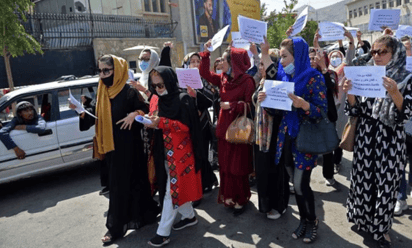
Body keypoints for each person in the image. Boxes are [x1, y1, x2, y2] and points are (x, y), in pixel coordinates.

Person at [73, 55, 160, 244]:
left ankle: (144, 215)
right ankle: (116, 228)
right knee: (117, 187)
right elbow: (93, 118)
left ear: (117, 70)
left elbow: (147, 109)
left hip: (131, 146)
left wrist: (134, 114)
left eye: (106, 70)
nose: (103, 75)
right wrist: (80, 110)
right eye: (100, 71)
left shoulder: (128, 91)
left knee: (137, 181)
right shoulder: (102, 91)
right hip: (112, 149)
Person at [343, 35, 412, 248]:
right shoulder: (367, 74)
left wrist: (394, 93)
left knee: (386, 186)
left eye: (382, 52)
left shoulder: (406, 78)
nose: (377, 56)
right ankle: (361, 219)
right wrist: (350, 94)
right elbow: (355, 111)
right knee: (363, 181)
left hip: (390, 140)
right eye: (374, 52)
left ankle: (381, 230)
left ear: (395, 53)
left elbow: (407, 113)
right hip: (366, 136)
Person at [266, 37, 328, 243]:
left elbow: (322, 112)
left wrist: (305, 105)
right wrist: (265, 101)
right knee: (295, 182)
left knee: (301, 185)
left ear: (298, 56)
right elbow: (276, 110)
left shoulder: (313, 77)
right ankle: (303, 220)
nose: (281, 61)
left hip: (305, 139)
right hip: (287, 138)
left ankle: (312, 221)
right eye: (281, 56)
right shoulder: (284, 77)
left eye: (285, 56)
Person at [145, 66, 203, 247]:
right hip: (165, 153)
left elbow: (186, 127)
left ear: (169, 81)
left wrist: (161, 122)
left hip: (181, 155)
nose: (158, 89)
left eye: (161, 85)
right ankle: (189, 215)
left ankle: (163, 233)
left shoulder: (183, 99)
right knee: (173, 187)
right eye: (155, 86)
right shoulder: (161, 101)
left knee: (172, 192)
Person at [199, 42, 255, 216]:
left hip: (239, 130)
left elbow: (250, 106)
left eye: (223, 59)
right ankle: (229, 196)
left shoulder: (247, 81)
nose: (220, 62)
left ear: (233, 62)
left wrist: (231, 105)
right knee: (225, 165)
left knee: (237, 166)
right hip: (224, 129)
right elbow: (204, 74)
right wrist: (206, 54)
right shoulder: (223, 78)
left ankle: (241, 198)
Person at [253, 37, 289, 220]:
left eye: (264, 64)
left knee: (275, 172)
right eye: (259, 64)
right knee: (262, 172)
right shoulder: (260, 82)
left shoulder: (278, 81)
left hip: (274, 136)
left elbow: (278, 109)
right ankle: (265, 205)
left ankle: (278, 205)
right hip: (260, 137)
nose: (261, 68)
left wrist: (265, 53)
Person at [182, 52, 218, 196]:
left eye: (198, 61)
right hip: (186, 123)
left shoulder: (205, 80)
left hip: (202, 122)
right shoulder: (181, 80)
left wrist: (196, 96)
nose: (196, 64)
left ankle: (204, 184)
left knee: (201, 153)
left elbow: (211, 99)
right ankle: (209, 180)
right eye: (192, 61)